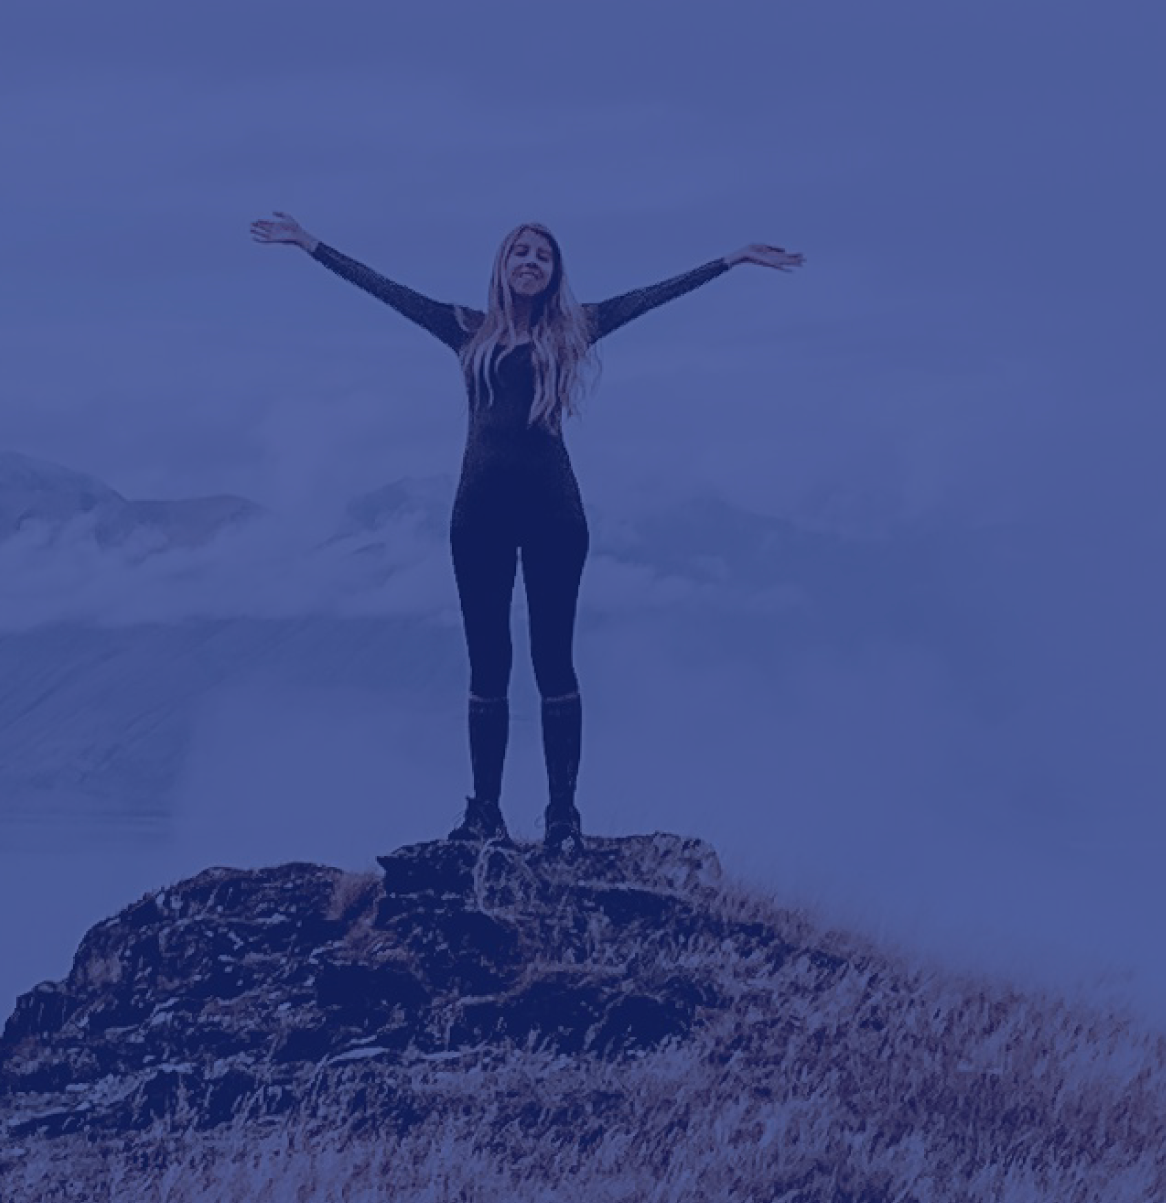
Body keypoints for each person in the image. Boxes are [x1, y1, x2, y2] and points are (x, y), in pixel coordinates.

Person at [251, 212, 803, 851]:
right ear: (503, 265)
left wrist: (730, 260)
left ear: (554, 273)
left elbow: (654, 295)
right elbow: (384, 288)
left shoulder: (576, 330)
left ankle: (562, 817)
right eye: (521, 251)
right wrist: (310, 244)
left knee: (552, 660)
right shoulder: (465, 330)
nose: (531, 261)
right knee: (487, 665)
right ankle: (484, 813)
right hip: (477, 517)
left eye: (543, 255)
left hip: (554, 516)